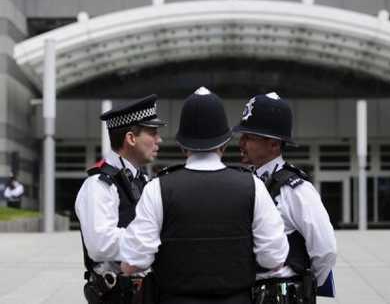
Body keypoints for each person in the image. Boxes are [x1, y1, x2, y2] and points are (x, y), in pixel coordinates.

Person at [120, 87, 289, 304]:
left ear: (181, 144)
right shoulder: (253, 187)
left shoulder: (158, 188)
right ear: (225, 143)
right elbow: (274, 258)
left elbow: (134, 261)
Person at [233, 92, 337, 304]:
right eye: (242, 136)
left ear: (274, 144)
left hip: (281, 294)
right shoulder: (246, 182)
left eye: (249, 137)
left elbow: (325, 249)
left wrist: (304, 285)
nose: (241, 143)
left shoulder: (297, 190)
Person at [75, 94, 166, 304]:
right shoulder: (99, 185)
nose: (159, 140)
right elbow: (100, 244)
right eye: (153, 133)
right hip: (118, 296)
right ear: (131, 138)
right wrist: (153, 240)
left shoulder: (143, 180)